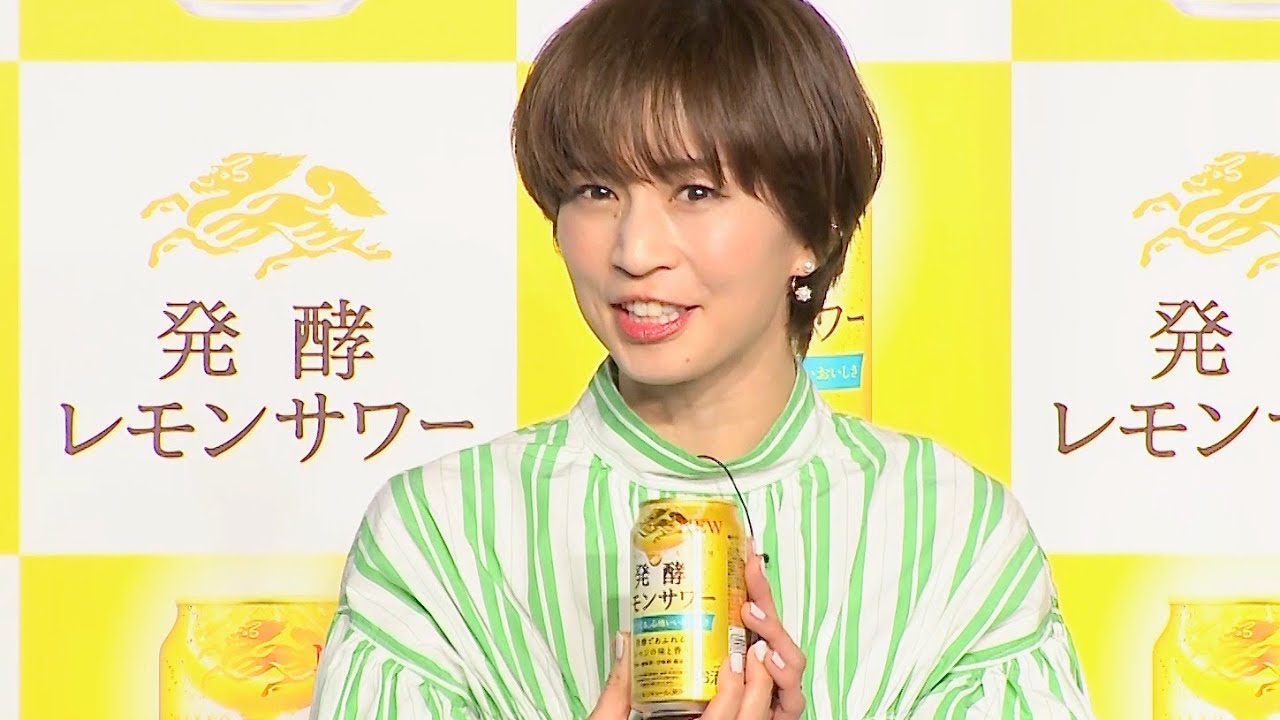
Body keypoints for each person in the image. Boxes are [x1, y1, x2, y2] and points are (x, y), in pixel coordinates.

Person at [309, 0, 1096, 717]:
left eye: (694, 192)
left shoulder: (956, 536)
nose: (634, 250)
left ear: (815, 226)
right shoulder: (438, 535)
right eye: (595, 190)